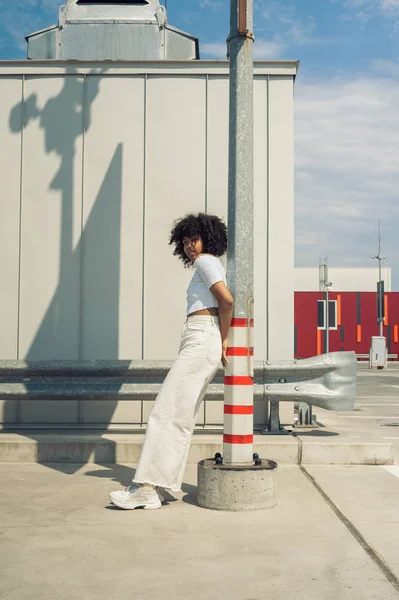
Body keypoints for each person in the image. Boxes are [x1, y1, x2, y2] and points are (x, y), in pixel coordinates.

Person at [110, 213, 234, 510]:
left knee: (164, 411)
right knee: (178, 416)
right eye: (186, 240)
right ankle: (160, 484)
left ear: (208, 238)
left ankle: (145, 488)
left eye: (195, 239)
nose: (190, 246)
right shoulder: (206, 264)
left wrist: (224, 339)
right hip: (201, 338)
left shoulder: (206, 261)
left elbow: (226, 301)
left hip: (202, 337)